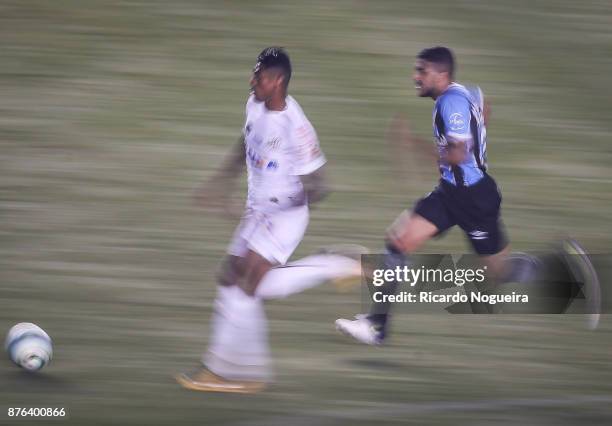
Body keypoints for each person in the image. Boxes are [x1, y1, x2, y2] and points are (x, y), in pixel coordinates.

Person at [176, 47, 361, 393]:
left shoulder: (296, 125)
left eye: (258, 76)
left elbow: (321, 186)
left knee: (246, 284)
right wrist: (222, 181)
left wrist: (281, 205)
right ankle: (334, 264)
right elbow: (246, 141)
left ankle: (231, 370)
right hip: (257, 210)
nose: (252, 81)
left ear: (277, 81)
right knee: (230, 277)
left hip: (286, 216)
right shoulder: (253, 105)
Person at [335, 46, 510, 344]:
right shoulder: (464, 93)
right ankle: (377, 326)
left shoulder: (449, 104)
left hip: (474, 199)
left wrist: (412, 143)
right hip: (449, 195)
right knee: (398, 243)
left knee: (499, 275)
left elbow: (457, 154)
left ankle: (569, 277)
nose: (415, 77)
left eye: (422, 71)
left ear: (442, 74)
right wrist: (478, 131)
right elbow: (484, 105)